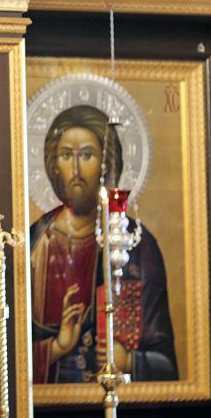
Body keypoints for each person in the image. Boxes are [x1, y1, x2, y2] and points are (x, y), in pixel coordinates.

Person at [31, 105, 177, 384]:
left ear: (106, 163)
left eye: (86, 155)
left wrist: (129, 360)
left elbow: (168, 366)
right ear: (54, 165)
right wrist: (56, 347)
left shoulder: (136, 244)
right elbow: (14, 351)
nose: (75, 169)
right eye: (66, 155)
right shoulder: (35, 244)